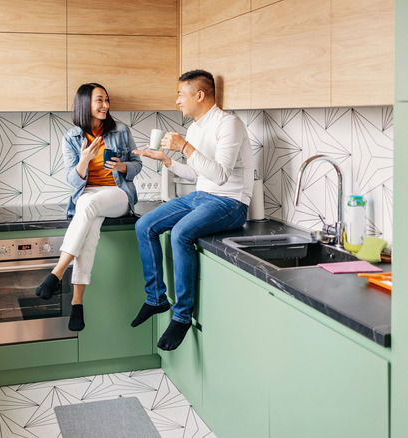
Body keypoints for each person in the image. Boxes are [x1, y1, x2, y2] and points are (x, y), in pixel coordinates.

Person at [131, 70, 254, 351]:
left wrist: (184, 147)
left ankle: (182, 315)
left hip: (231, 203)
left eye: (180, 94)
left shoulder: (229, 124)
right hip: (202, 195)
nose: (177, 101)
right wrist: (166, 160)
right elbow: (199, 176)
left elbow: (221, 175)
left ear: (200, 95)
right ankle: (156, 299)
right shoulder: (197, 127)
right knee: (144, 225)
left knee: (181, 234)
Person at [35, 83, 142, 331]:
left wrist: (122, 167)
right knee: (90, 230)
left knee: (89, 204)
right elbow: (73, 181)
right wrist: (83, 160)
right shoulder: (71, 137)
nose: (105, 105)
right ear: (85, 104)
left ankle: (58, 271)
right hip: (88, 196)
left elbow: (137, 163)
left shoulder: (121, 131)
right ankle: (77, 302)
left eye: (107, 100)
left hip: (119, 194)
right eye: (99, 100)